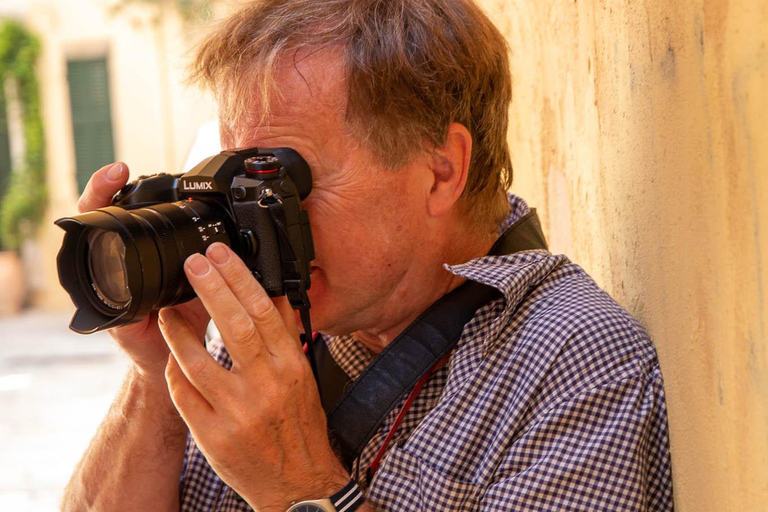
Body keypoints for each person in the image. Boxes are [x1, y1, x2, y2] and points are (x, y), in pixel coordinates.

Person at [62, 0, 673, 510]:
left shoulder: (576, 366)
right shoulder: (268, 327)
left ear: (440, 172)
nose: (254, 219)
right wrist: (155, 374)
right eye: (239, 181)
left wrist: (299, 486)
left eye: (280, 182)